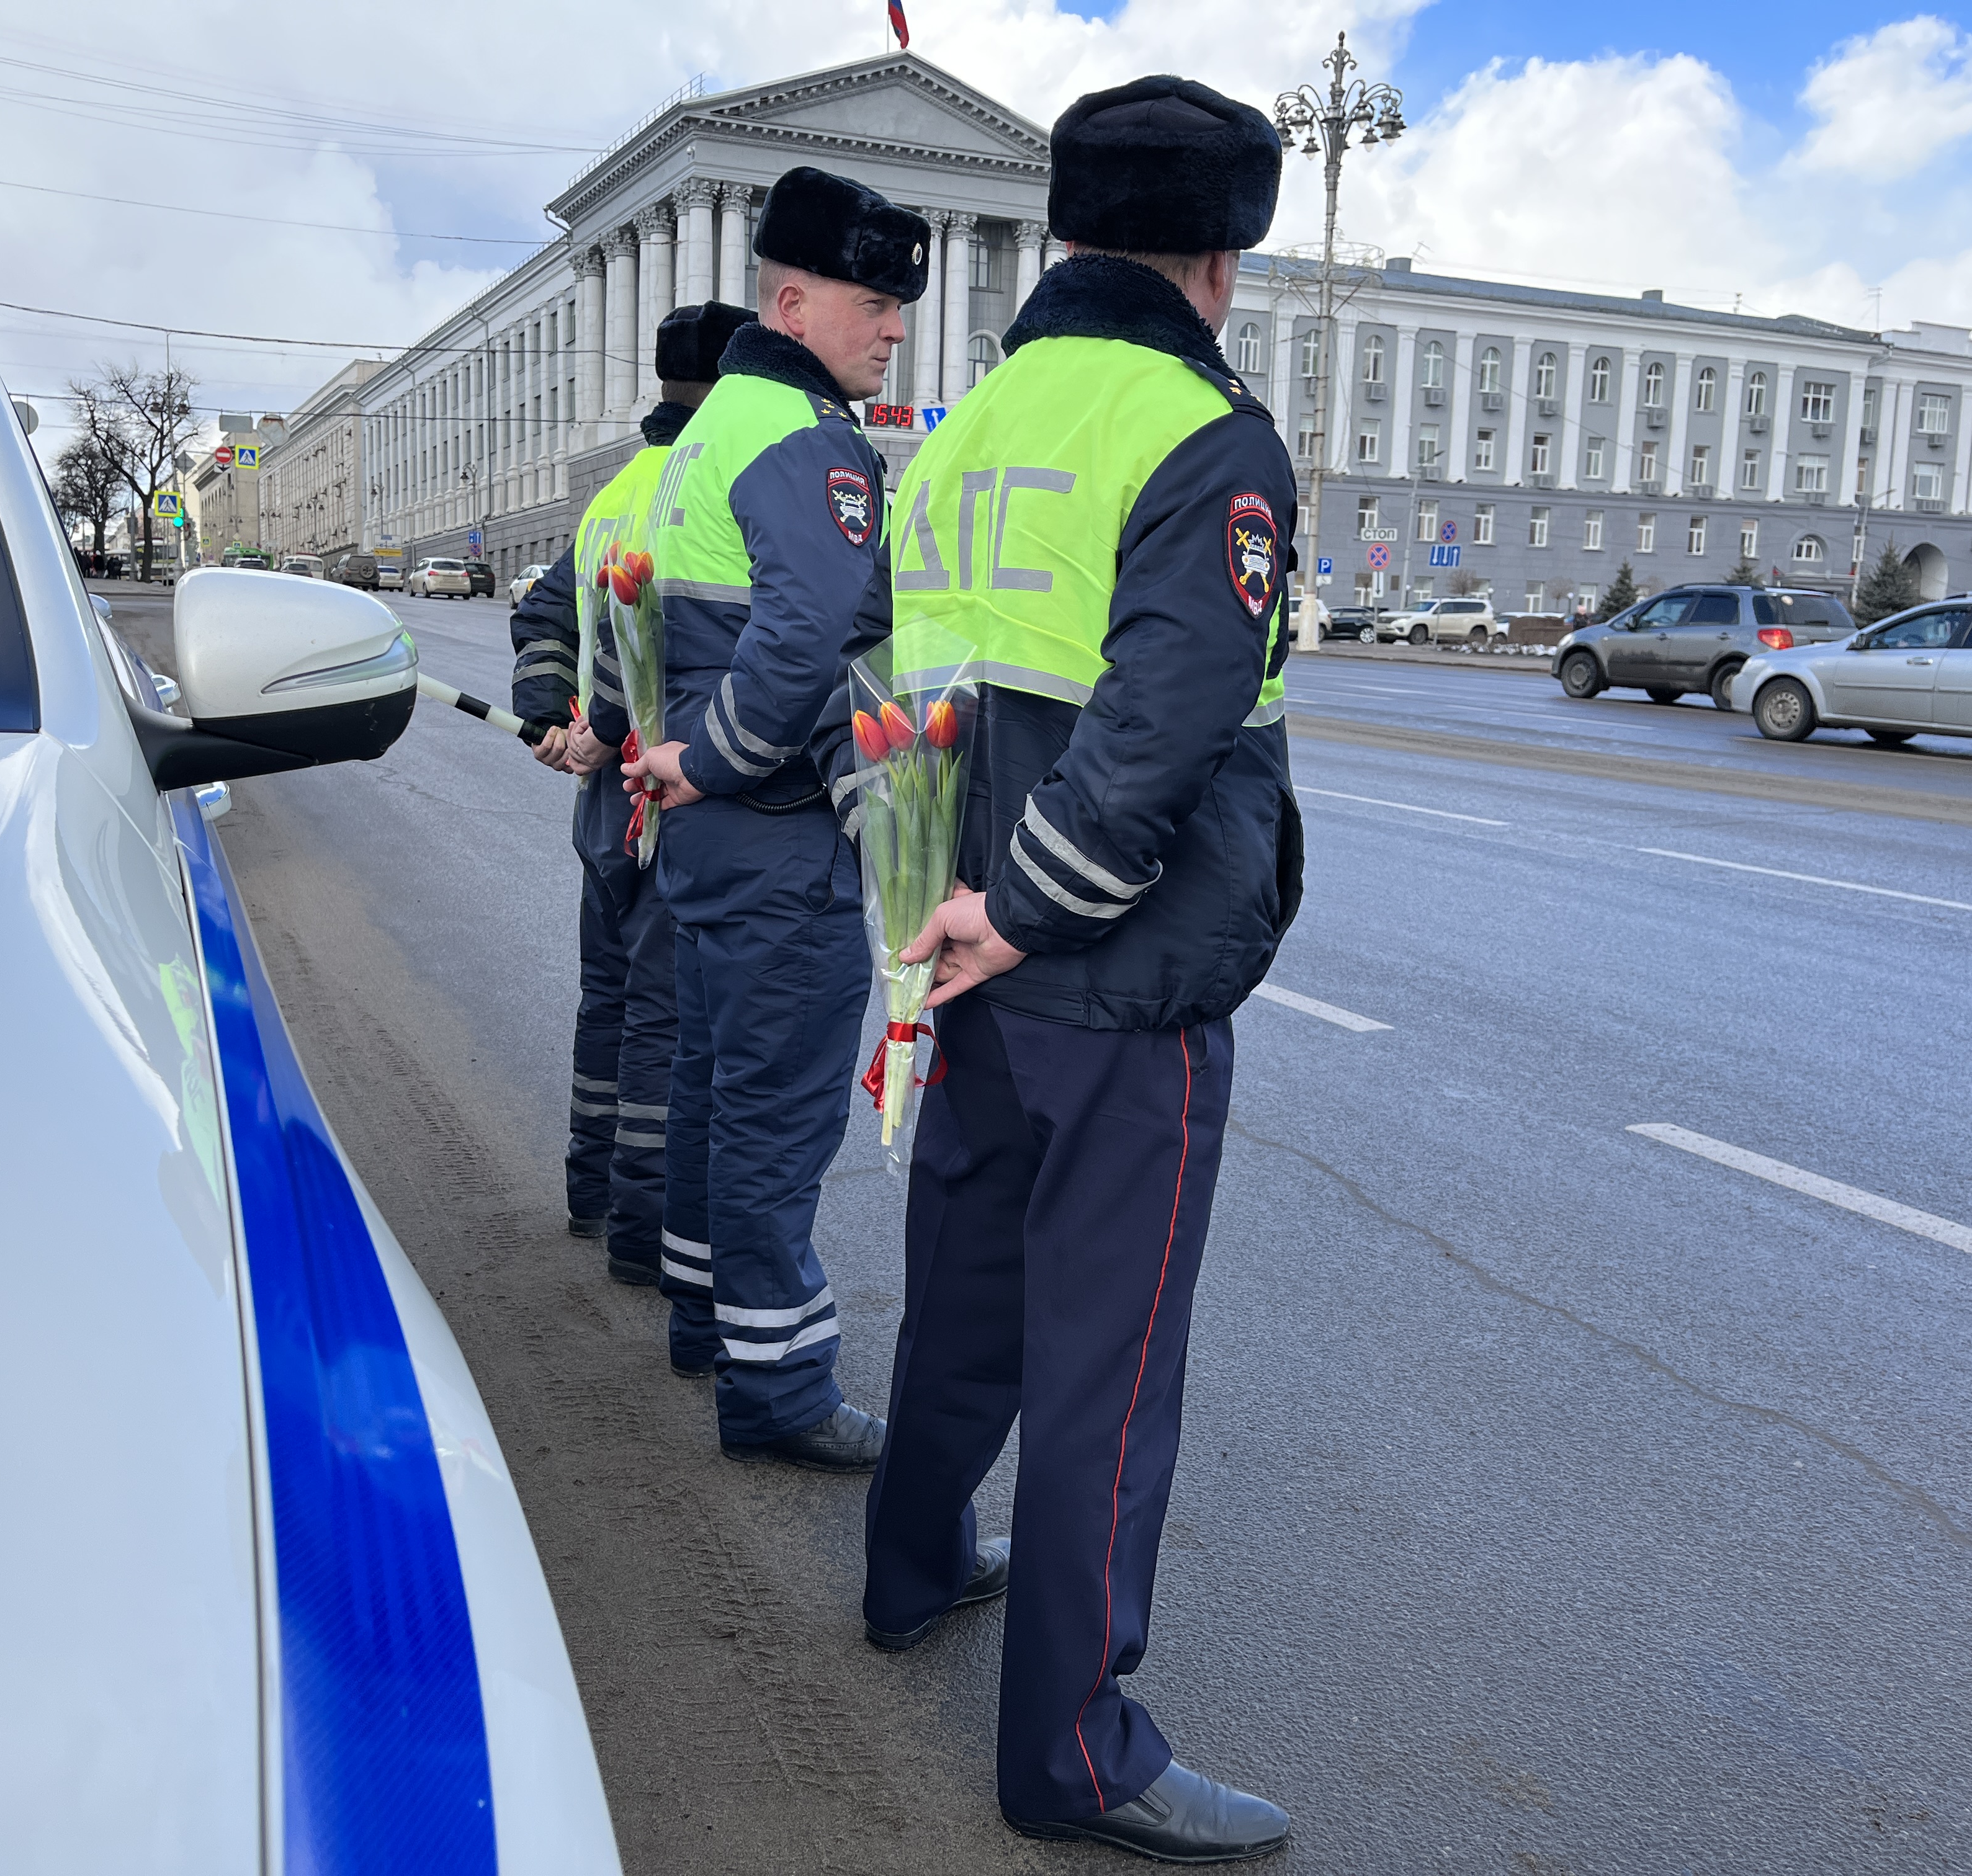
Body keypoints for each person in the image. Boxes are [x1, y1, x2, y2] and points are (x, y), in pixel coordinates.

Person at [838, 78, 1305, 1861]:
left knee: (961, 1290)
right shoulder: (1205, 430)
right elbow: (1169, 715)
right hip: (1112, 972)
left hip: (959, 954)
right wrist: (1034, 908)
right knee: (1106, 1368)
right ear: (1221, 256)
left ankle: (907, 1572)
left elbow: (881, 697)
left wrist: (937, 906)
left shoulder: (959, 430)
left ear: (1062, 237)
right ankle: (1075, 1759)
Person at [619, 167, 926, 1472]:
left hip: (709, 838)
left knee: (710, 1078)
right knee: (776, 1109)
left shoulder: (717, 424)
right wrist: (723, 760)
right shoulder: (805, 436)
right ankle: (783, 1386)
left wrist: (691, 764)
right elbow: (807, 637)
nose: (896, 328)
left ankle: (704, 1314)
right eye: (874, 302)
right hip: (773, 827)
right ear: (792, 298)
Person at [508, 301, 755, 1285]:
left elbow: (541, 611)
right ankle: (641, 1229)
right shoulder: (699, 488)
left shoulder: (617, 492)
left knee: (606, 1000)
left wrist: (545, 717)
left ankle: (589, 1189)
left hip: (601, 799)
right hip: (664, 790)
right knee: (664, 1015)